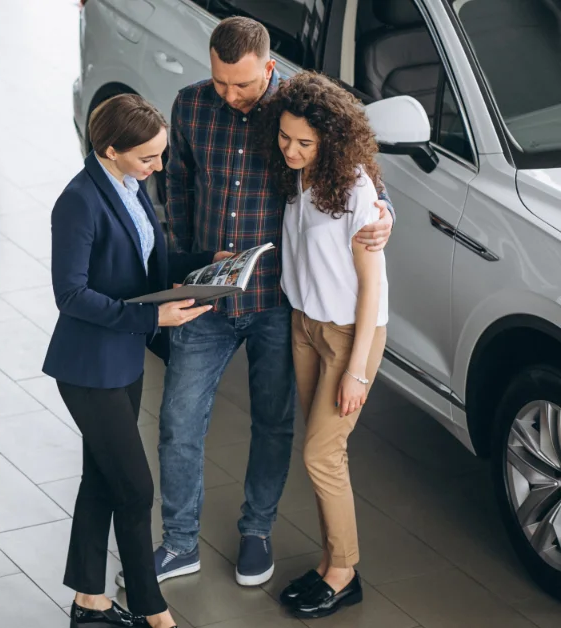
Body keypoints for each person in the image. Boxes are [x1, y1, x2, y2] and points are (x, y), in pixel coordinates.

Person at [136, 16, 396, 589]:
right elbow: (175, 181)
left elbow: (358, 175)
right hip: (206, 294)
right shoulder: (190, 106)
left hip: (279, 302)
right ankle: (179, 543)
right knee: (178, 421)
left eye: (244, 85)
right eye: (221, 82)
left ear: (269, 69)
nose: (231, 95)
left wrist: (385, 215)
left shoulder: (296, 117)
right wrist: (183, 257)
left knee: (274, 424)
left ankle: (257, 532)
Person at [43, 93, 230, 628]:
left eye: (161, 155)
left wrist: (205, 263)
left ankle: (89, 603)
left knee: (101, 477)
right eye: (149, 157)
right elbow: (71, 295)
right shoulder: (79, 201)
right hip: (88, 369)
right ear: (110, 149)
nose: (159, 167)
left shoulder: (131, 187)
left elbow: (150, 263)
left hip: (122, 361)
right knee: (135, 487)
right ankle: (152, 611)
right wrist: (153, 320)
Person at [257, 71, 388, 619]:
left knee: (319, 454)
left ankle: (343, 572)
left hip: (348, 336)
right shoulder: (298, 175)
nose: (291, 149)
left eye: (304, 143)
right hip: (304, 326)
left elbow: (373, 285)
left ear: (330, 141)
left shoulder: (354, 188)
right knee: (325, 456)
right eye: (285, 137)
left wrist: (357, 370)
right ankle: (333, 561)